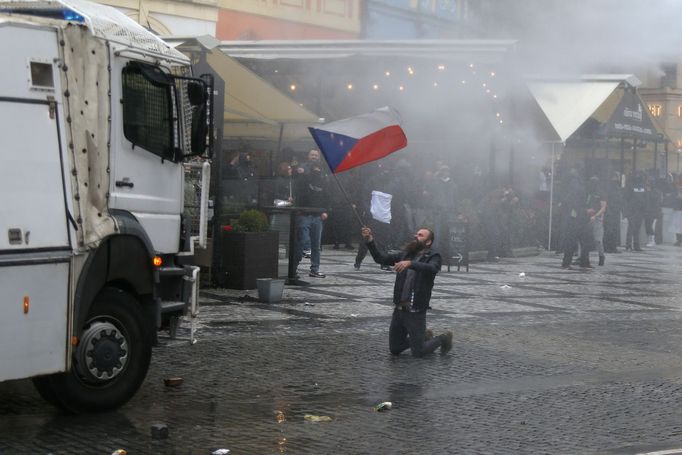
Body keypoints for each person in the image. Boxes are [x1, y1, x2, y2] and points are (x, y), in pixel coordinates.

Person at [360, 225, 453, 357]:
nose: (416, 236)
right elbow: (380, 258)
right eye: (416, 234)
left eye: (420, 235)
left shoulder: (434, 256)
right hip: (399, 309)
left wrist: (410, 263)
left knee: (418, 352)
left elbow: (432, 268)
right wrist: (370, 240)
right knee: (395, 349)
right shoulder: (406, 254)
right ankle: (424, 337)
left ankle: (443, 338)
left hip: (415, 311)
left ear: (428, 242)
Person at [293, 149, 329, 278]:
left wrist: (325, 210)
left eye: (316, 155)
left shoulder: (323, 174)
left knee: (316, 245)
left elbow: (325, 193)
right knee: (302, 242)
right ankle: (293, 269)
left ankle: (314, 269)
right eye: (312, 155)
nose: (314, 157)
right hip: (305, 213)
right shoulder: (303, 171)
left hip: (317, 214)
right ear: (308, 156)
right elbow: (299, 187)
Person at [586, 176, 607, 266]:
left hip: (597, 218)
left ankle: (601, 256)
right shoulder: (588, 192)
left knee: (598, 240)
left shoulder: (601, 193)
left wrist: (596, 215)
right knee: (583, 238)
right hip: (586, 217)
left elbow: (603, 207)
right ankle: (582, 257)